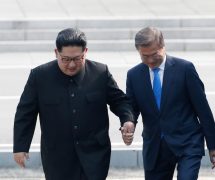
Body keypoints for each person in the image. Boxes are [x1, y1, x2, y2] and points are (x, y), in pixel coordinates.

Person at [13, 28, 134, 180]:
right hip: (57, 157)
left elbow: (120, 101)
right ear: (56, 53)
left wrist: (128, 120)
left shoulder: (100, 73)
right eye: (65, 59)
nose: (71, 65)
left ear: (86, 52)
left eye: (77, 59)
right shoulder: (39, 76)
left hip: (95, 155)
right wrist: (20, 147)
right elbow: (25, 113)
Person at [123, 26, 215, 180]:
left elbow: (203, 109)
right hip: (155, 147)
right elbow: (131, 108)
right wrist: (128, 122)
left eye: (154, 55)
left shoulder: (185, 69)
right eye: (145, 56)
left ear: (163, 46)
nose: (150, 61)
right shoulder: (134, 75)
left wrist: (213, 146)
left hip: (188, 142)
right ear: (138, 51)